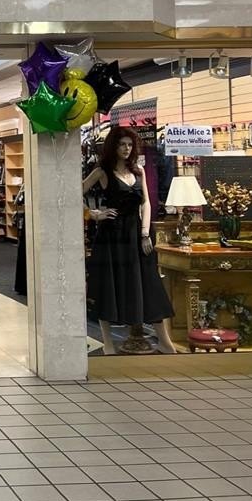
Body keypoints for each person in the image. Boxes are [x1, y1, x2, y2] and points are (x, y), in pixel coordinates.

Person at [82, 126, 176, 355]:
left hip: (137, 234)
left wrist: (145, 232)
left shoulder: (139, 170)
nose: (126, 149)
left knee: (149, 284)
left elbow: (146, 202)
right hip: (112, 236)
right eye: (122, 144)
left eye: (130, 145)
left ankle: (165, 342)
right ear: (113, 146)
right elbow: (75, 193)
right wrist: (93, 214)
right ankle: (108, 343)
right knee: (108, 285)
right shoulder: (102, 171)